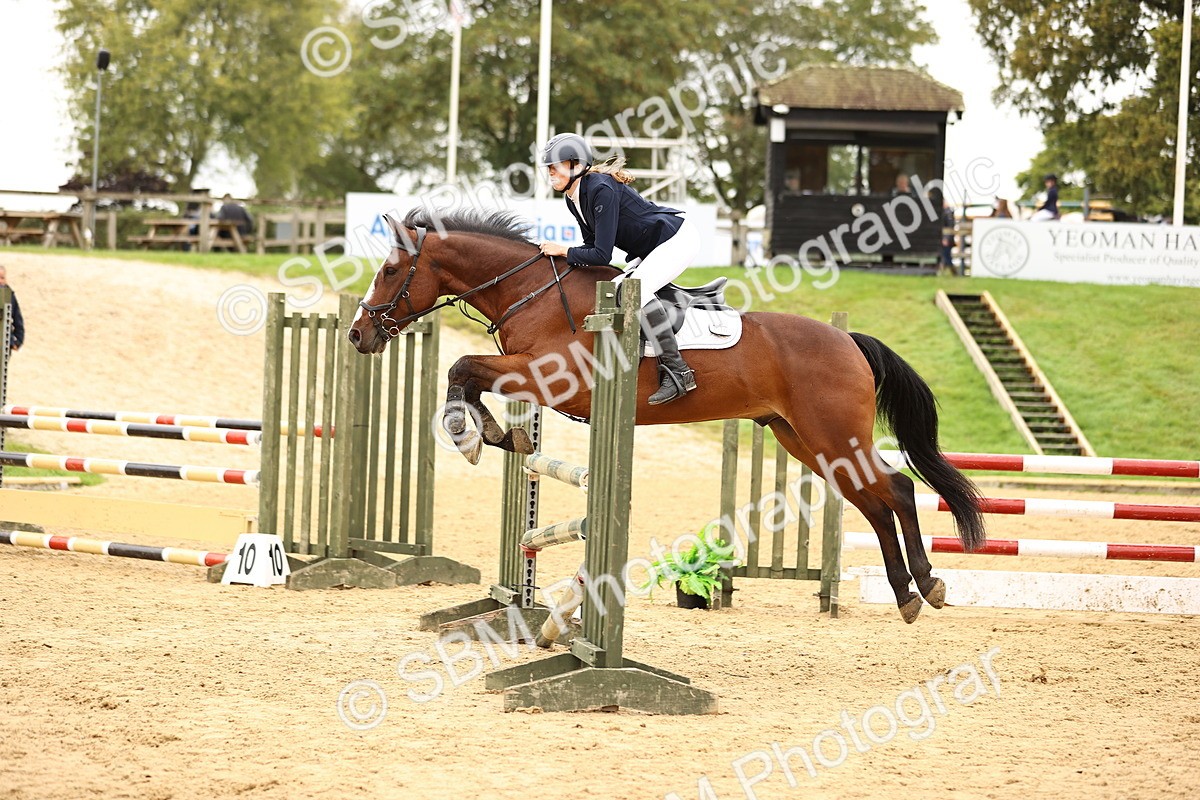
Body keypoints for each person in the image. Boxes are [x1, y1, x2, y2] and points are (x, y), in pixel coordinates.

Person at [536, 133, 698, 405]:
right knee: (617, 286)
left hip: (677, 239)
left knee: (634, 290)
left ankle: (679, 372)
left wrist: (563, 250)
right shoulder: (573, 197)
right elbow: (591, 246)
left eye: (556, 165)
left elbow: (601, 254)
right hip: (652, 248)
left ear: (576, 165)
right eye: (549, 167)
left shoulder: (600, 188)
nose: (550, 172)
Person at [0, 265, 25, 355]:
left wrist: (18, 340)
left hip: (5, 344)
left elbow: (18, 319)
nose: (0, 281)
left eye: (2, 278)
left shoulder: (9, 296)